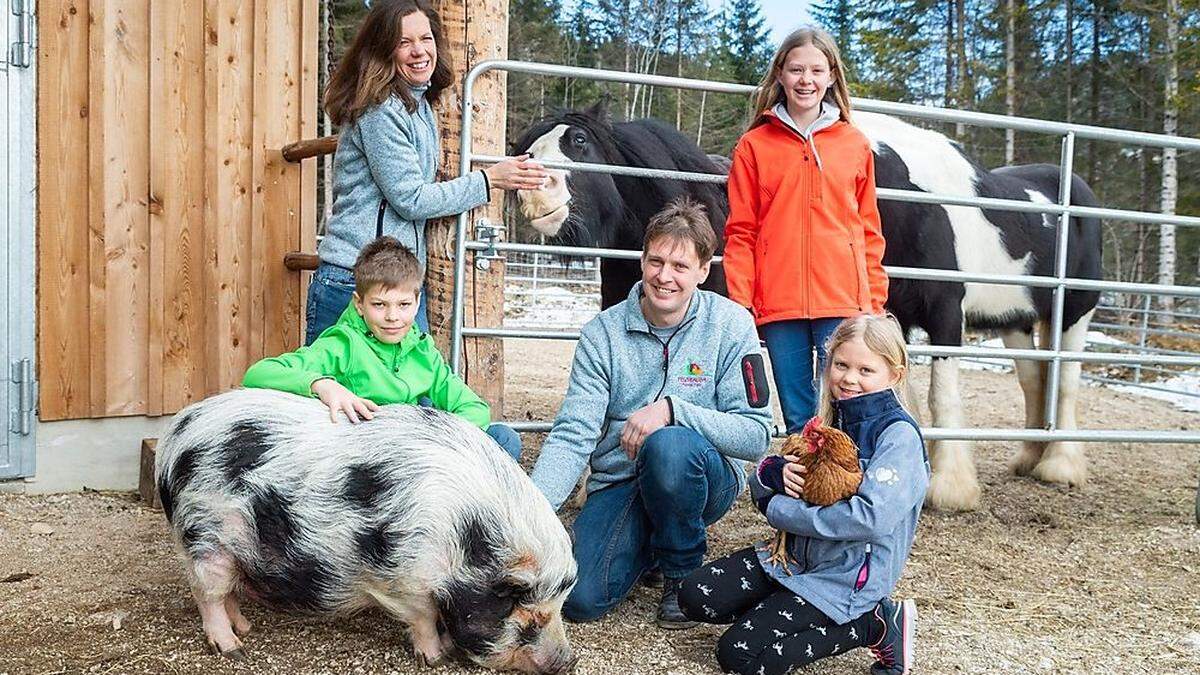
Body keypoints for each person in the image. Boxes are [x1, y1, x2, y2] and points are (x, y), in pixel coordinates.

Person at [529, 198, 773, 629]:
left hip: (700, 479)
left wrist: (673, 411)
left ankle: (681, 575)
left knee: (670, 445)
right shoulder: (601, 334)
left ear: (703, 270)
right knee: (579, 600)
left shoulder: (732, 325)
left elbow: (756, 436)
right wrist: (531, 509)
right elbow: (574, 434)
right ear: (642, 261)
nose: (665, 276)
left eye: (680, 266)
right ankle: (652, 544)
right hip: (621, 481)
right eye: (656, 261)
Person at [677, 314, 928, 675]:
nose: (849, 378)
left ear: (895, 374)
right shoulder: (829, 419)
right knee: (694, 595)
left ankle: (874, 623)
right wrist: (774, 475)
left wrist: (781, 510)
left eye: (865, 370)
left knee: (739, 655)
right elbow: (762, 481)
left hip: (844, 578)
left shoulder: (898, 438)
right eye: (841, 365)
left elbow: (869, 518)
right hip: (791, 559)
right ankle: (785, 608)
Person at [311, 0, 547, 344]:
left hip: (397, 279)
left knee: (410, 392)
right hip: (357, 281)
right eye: (404, 42)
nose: (419, 51)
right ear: (382, 50)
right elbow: (410, 198)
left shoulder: (418, 104)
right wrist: (489, 179)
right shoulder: (380, 109)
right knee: (335, 393)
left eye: (426, 38)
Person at [722, 26, 888, 434]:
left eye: (816, 70)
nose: (806, 80)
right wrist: (742, 303)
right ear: (780, 73)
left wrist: (875, 301)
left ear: (832, 75)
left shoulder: (854, 144)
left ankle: (844, 492)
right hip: (779, 304)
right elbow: (741, 231)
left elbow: (869, 230)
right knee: (799, 418)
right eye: (796, 69)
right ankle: (804, 494)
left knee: (845, 409)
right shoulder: (754, 146)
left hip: (843, 299)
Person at [243, 236, 522, 461]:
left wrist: (435, 436)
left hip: (414, 449)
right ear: (359, 304)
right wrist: (323, 385)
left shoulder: (422, 352)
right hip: (362, 458)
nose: (392, 317)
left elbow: (473, 407)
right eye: (379, 305)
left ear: (417, 302)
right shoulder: (343, 344)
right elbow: (258, 374)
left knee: (504, 439)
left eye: (403, 305)